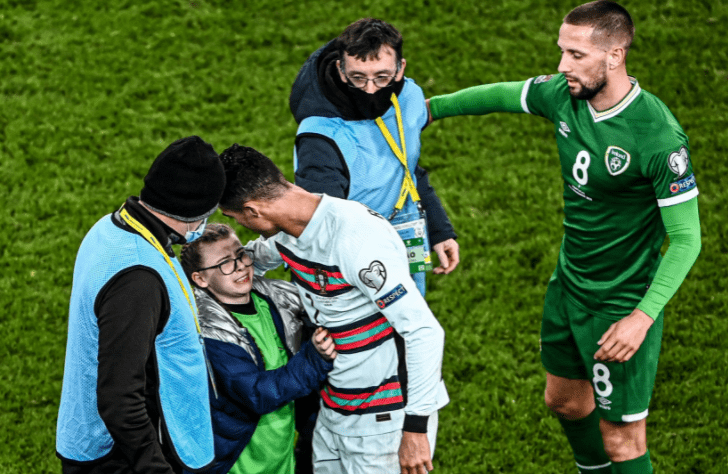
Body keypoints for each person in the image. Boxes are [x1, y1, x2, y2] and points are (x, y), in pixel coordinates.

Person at [427, 2, 702, 473]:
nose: (562, 66)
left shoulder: (657, 136)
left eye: (576, 55)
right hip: (569, 285)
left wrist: (641, 318)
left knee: (622, 440)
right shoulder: (565, 95)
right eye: (562, 51)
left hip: (621, 302)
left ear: (614, 55)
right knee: (566, 402)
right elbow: (503, 94)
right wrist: (429, 110)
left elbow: (686, 239)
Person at [217, 144, 449, 474]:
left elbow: (424, 331)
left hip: (384, 421)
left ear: (252, 211)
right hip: (334, 410)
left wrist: (415, 428)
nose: (239, 226)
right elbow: (248, 262)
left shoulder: (356, 239)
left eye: (233, 218)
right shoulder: (290, 233)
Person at [56, 136, 226, 473]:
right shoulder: (138, 281)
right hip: (123, 458)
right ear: (195, 213)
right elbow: (119, 399)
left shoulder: (111, 227)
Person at [289, 17, 460, 296]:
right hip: (351, 256)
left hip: (405, 232)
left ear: (400, 68)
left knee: (410, 318)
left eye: (382, 76)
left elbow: (407, 168)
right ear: (340, 70)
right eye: (358, 77)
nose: (371, 89)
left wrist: (438, 230)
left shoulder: (409, 97)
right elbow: (322, 226)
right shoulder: (319, 137)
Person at [178, 222, 336, 474]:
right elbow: (258, 394)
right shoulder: (208, 332)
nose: (240, 266)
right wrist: (315, 358)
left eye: (240, 254)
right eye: (224, 263)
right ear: (200, 278)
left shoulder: (275, 298)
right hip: (237, 462)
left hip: (282, 456)